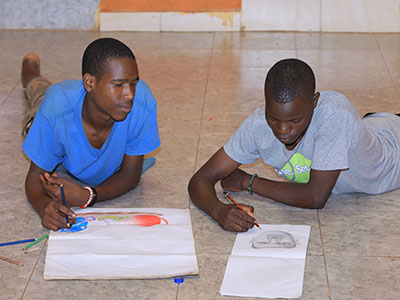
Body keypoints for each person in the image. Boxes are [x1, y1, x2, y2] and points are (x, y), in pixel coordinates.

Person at [188, 58, 400, 232]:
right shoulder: (257, 125)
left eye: (295, 121)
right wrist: (218, 210)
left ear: (314, 102)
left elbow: (316, 196)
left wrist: (248, 182)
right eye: (273, 118)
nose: (282, 130)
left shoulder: (334, 115)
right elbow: (201, 178)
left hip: (394, 151)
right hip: (374, 125)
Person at [22, 38, 160, 231]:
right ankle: (31, 71)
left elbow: (130, 174)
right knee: (39, 94)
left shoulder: (141, 104)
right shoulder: (57, 109)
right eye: (118, 84)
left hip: (71, 101)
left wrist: (89, 196)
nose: (129, 94)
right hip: (53, 106)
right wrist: (44, 207)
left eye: (134, 83)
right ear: (89, 82)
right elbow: (34, 177)